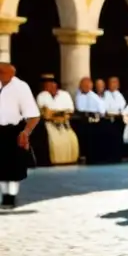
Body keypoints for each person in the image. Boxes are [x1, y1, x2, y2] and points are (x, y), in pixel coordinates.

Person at [0, 63, 40, 210]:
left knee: (13, 167)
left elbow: (34, 115)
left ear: (11, 74)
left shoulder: (21, 87)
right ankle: (4, 195)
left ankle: (10, 196)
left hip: (13, 130)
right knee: (1, 167)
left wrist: (26, 132)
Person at [34, 74, 78, 166]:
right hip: (50, 124)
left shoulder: (65, 95)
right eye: (46, 84)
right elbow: (45, 113)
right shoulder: (42, 96)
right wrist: (57, 114)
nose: (48, 85)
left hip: (65, 123)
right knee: (54, 141)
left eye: (51, 83)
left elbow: (69, 111)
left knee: (72, 139)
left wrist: (58, 114)